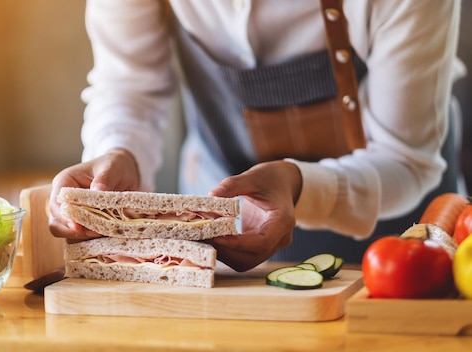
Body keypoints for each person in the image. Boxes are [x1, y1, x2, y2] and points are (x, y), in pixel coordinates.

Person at [49, 0, 465, 271]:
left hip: (399, 243)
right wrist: (119, 151)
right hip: (217, 216)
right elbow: (129, 86)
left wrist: (297, 184)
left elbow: (405, 157)